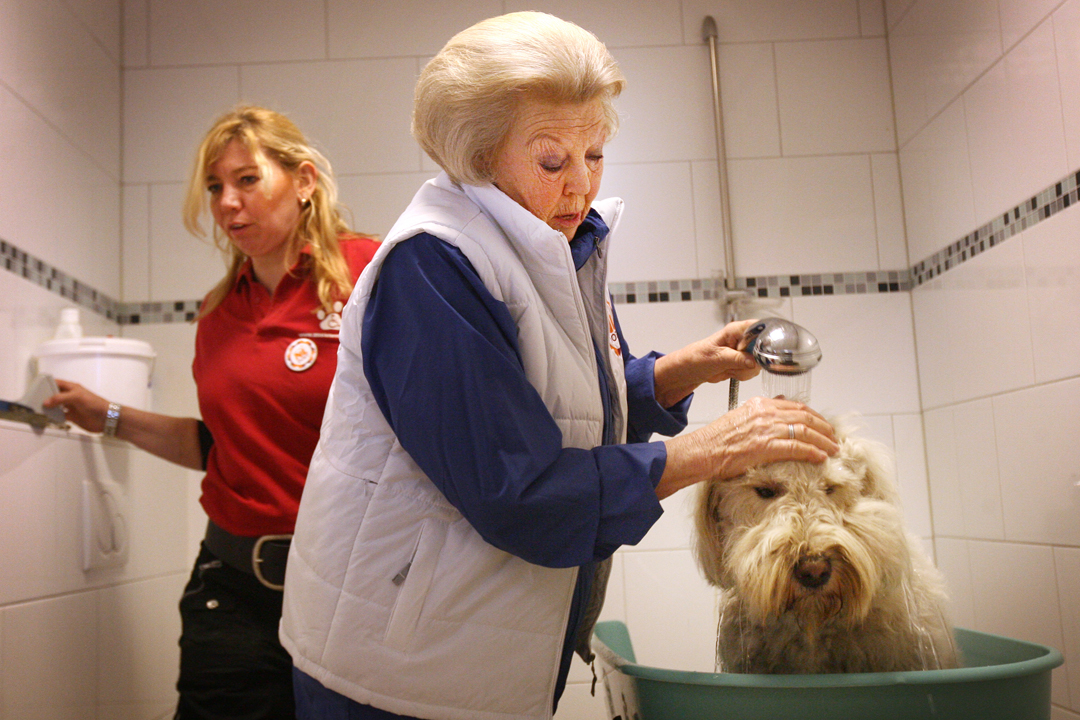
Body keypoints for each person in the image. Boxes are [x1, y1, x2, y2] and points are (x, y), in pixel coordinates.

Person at [280, 12, 838, 720]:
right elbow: (517, 490)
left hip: (476, 654)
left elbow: (552, 409)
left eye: (595, 154)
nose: (581, 185)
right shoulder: (433, 266)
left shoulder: (556, 243)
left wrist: (675, 373)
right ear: (478, 156)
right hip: (396, 677)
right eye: (552, 162)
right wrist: (704, 451)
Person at [44, 106, 381, 720]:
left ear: (304, 181)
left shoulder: (372, 274)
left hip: (353, 587)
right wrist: (109, 415)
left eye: (247, 179)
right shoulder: (219, 311)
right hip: (232, 589)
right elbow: (223, 446)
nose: (227, 203)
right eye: (215, 186)